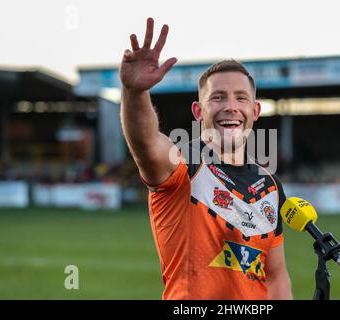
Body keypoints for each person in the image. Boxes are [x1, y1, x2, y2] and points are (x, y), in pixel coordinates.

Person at [120, 17, 292, 300]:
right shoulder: (184, 163)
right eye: (218, 98)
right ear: (199, 112)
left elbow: (275, 275)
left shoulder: (270, 184)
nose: (230, 107)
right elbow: (146, 143)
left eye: (241, 98)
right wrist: (134, 92)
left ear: (256, 110)